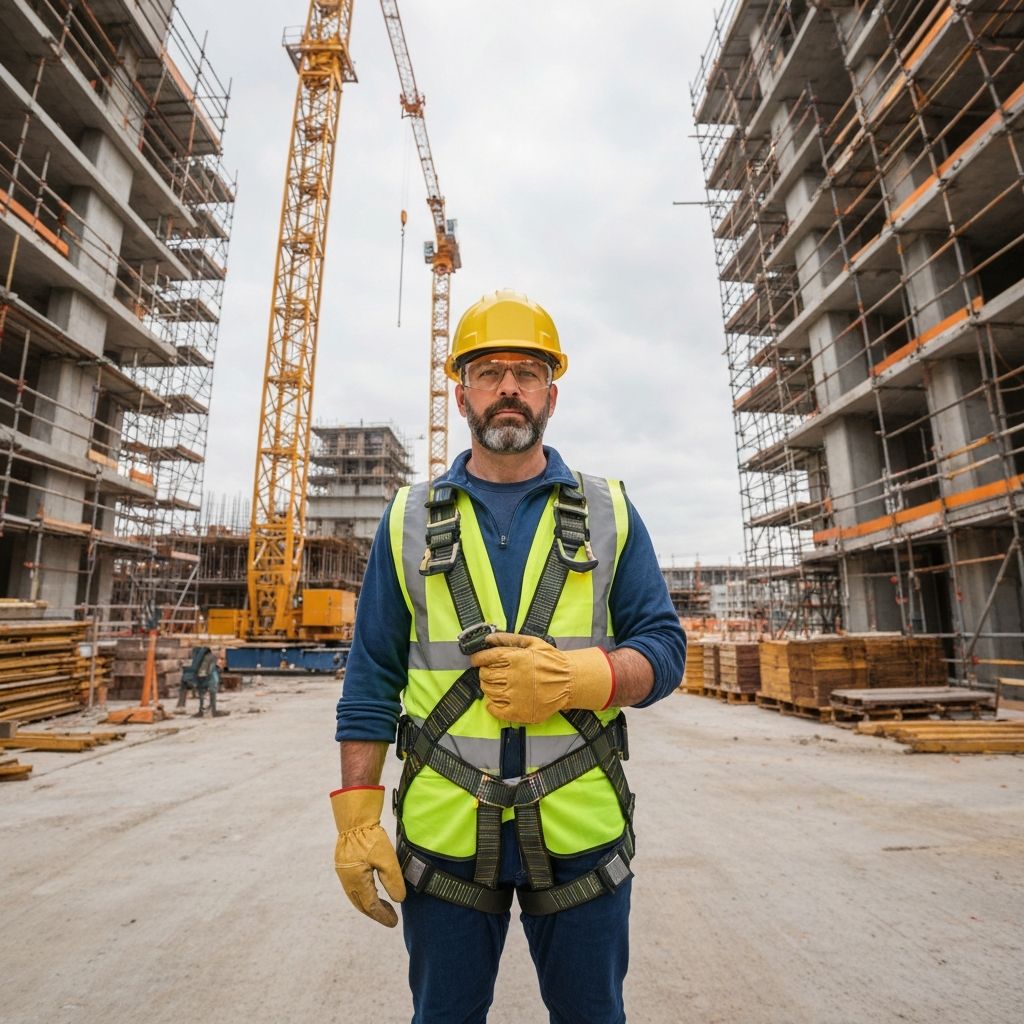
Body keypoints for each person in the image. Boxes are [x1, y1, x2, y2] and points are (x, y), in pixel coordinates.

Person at [332, 290, 686, 1024]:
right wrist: (357, 818)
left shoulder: (610, 511)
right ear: (461, 390)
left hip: (581, 831)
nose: (508, 390)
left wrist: (585, 676)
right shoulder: (406, 520)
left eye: (526, 372)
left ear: (551, 392)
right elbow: (371, 680)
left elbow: (666, 649)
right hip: (444, 835)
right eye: (488, 371)